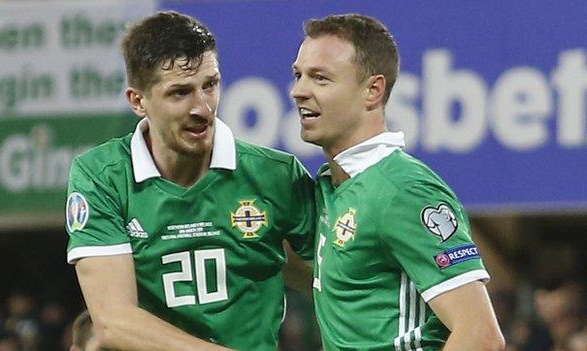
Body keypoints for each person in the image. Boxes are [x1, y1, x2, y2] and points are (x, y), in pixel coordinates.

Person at [65, 11, 315, 351]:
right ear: (138, 101)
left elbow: (336, 280)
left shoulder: (276, 175)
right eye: (180, 93)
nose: (202, 108)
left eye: (210, 85)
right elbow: (114, 321)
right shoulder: (102, 177)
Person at [290, 14, 505, 350]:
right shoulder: (332, 186)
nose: (298, 91)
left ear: (373, 91)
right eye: (298, 75)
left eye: (321, 78)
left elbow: (481, 335)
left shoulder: (404, 191)